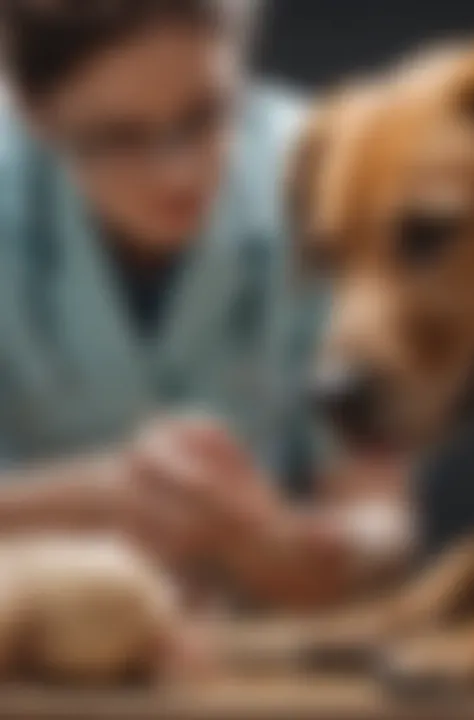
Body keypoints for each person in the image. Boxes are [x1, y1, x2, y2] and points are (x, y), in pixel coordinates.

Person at [0, 0, 414, 610]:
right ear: (34, 114)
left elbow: (380, 514)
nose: (179, 174)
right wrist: (97, 499)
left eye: (206, 116)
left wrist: (302, 542)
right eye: (120, 137)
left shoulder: (330, 184)